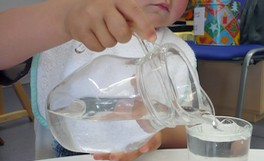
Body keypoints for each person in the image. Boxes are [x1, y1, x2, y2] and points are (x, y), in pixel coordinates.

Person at [0, 0, 194, 161]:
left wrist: (161, 133)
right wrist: (63, 19)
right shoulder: (73, 23)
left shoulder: (176, 53)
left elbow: (189, 133)